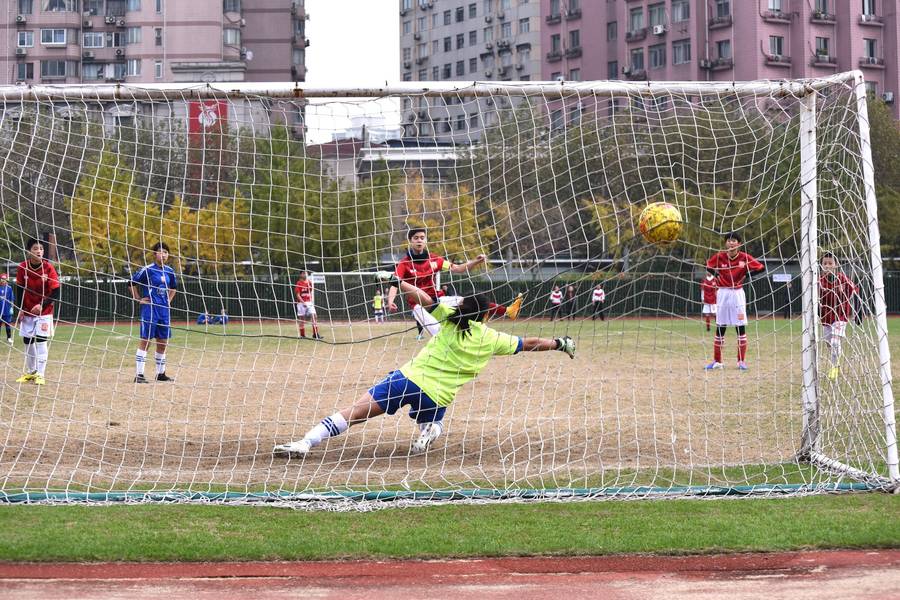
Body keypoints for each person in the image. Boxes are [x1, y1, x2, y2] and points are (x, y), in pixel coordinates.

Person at [274, 279, 575, 457]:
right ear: (485, 317)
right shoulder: (493, 338)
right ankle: (432, 427)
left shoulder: (448, 320)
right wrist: (560, 342)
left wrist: (397, 281)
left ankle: (306, 442)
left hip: (408, 379)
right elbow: (530, 343)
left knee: (355, 413)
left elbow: (424, 298)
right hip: (438, 396)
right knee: (434, 418)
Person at [386, 227, 522, 341]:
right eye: (416, 238)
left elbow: (457, 269)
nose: (419, 240)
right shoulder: (404, 264)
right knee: (440, 336)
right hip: (419, 306)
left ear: (426, 240)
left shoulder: (435, 259)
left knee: (470, 302)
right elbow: (395, 282)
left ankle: (509, 311)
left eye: (422, 237)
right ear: (410, 241)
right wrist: (390, 301)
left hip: (438, 299)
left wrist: (475, 261)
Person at [705, 232, 765, 371]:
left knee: (740, 327)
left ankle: (741, 361)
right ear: (726, 243)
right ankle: (717, 361)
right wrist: (717, 275)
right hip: (723, 293)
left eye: (734, 241)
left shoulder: (745, 257)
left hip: (737, 294)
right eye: (729, 240)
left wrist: (746, 275)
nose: (731, 243)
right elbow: (708, 265)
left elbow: (761, 268)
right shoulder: (720, 256)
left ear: (739, 244)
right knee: (720, 326)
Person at [14, 238, 60, 385]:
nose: (39, 251)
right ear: (29, 251)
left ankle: (41, 374)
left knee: (41, 340)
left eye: (41, 248)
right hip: (27, 310)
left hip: (44, 311)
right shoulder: (22, 267)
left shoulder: (48, 268)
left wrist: (42, 304)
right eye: (35, 248)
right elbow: (20, 289)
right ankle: (31, 372)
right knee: (27, 341)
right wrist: (20, 308)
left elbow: (56, 291)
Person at [129, 242, 177, 383]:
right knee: (146, 341)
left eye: (166, 252)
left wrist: (169, 300)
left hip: (164, 311)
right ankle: (139, 375)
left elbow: (173, 287)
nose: (163, 255)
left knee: (163, 341)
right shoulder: (148, 270)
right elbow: (131, 282)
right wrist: (138, 298)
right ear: (154, 254)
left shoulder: (169, 271)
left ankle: (160, 374)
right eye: (160, 252)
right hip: (150, 310)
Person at [819, 252, 858, 381]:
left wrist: (844, 292)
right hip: (826, 317)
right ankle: (835, 358)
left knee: (835, 342)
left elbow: (854, 291)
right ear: (821, 265)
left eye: (830, 263)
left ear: (836, 265)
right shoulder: (819, 281)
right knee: (829, 344)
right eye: (825, 263)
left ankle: (834, 367)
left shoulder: (842, 279)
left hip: (840, 316)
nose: (828, 266)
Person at [295, 270, 322, 340]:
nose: (305, 274)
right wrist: (303, 302)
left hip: (309, 302)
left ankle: (315, 334)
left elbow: (310, 292)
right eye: (304, 273)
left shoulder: (309, 282)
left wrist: (309, 301)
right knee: (302, 319)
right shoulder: (298, 283)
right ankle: (302, 335)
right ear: (300, 275)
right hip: (301, 303)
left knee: (314, 316)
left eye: (306, 273)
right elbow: (298, 295)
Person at [0, 273, 15, 344]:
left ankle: (9, 338)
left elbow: (12, 299)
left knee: (8, 324)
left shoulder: (9, 288)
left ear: (6, 280)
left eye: (4, 279)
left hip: (7, 309)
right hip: (0, 310)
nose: (3, 280)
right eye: (2, 279)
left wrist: (11, 308)